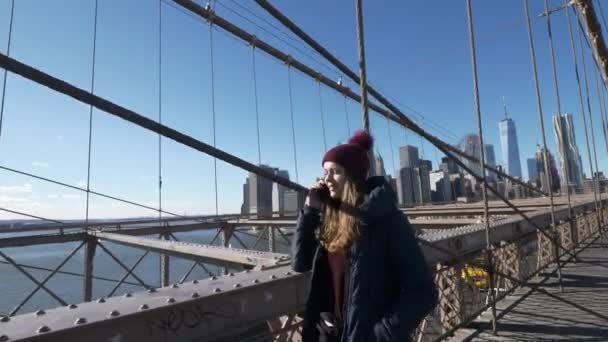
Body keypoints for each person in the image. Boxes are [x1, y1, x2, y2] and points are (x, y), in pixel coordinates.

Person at [292, 130, 438, 342]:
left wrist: (378, 335)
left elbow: (423, 293)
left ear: (352, 177)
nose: (326, 179)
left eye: (335, 172)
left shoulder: (389, 222)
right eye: (325, 172)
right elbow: (300, 263)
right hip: (328, 333)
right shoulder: (330, 218)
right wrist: (309, 211)